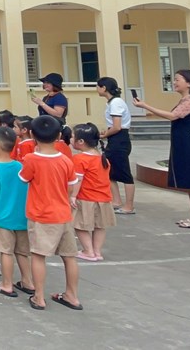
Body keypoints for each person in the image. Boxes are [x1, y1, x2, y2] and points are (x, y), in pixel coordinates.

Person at [19, 115, 82, 311]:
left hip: (41, 215)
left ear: (32, 134)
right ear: (58, 136)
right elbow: (71, 186)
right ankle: (72, 295)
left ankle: (39, 297)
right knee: (69, 256)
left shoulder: (31, 159)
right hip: (63, 214)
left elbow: (24, 179)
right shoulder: (65, 160)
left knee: (38, 255)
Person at [133, 69, 190, 229]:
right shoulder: (184, 100)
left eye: (178, 79)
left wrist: (145, 105)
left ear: (189, 83)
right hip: (183, 143)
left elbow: (172, 116)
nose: (174, 82)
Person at [0, 127, 35, 298]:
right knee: (22, 252)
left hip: (1, 217)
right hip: (21, 217)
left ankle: (6, 284)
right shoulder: (20, 166)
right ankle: (28, 281)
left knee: (6, 252)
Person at [69, 123, 116, 260]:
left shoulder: (79, 159)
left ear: (81, 141)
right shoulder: (102, 158)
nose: (70, 139)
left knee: (79, 224)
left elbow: (78, 179)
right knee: (100, 226)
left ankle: (88, 251)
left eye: (72, 137)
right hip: (104, 198)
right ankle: (97, 252)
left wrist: (73, 196)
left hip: (86, 197)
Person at [94, 77, 134, 214]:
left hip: (119, 139)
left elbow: (117, 127)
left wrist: (104, 135)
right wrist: (107, 132)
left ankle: (129, 206)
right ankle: (116, 200)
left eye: (98, 86)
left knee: (125, 174)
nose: (97, 89)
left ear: (104, 88)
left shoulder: (116, 103)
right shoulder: (112, 102)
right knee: (110, 171)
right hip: (115, 138)